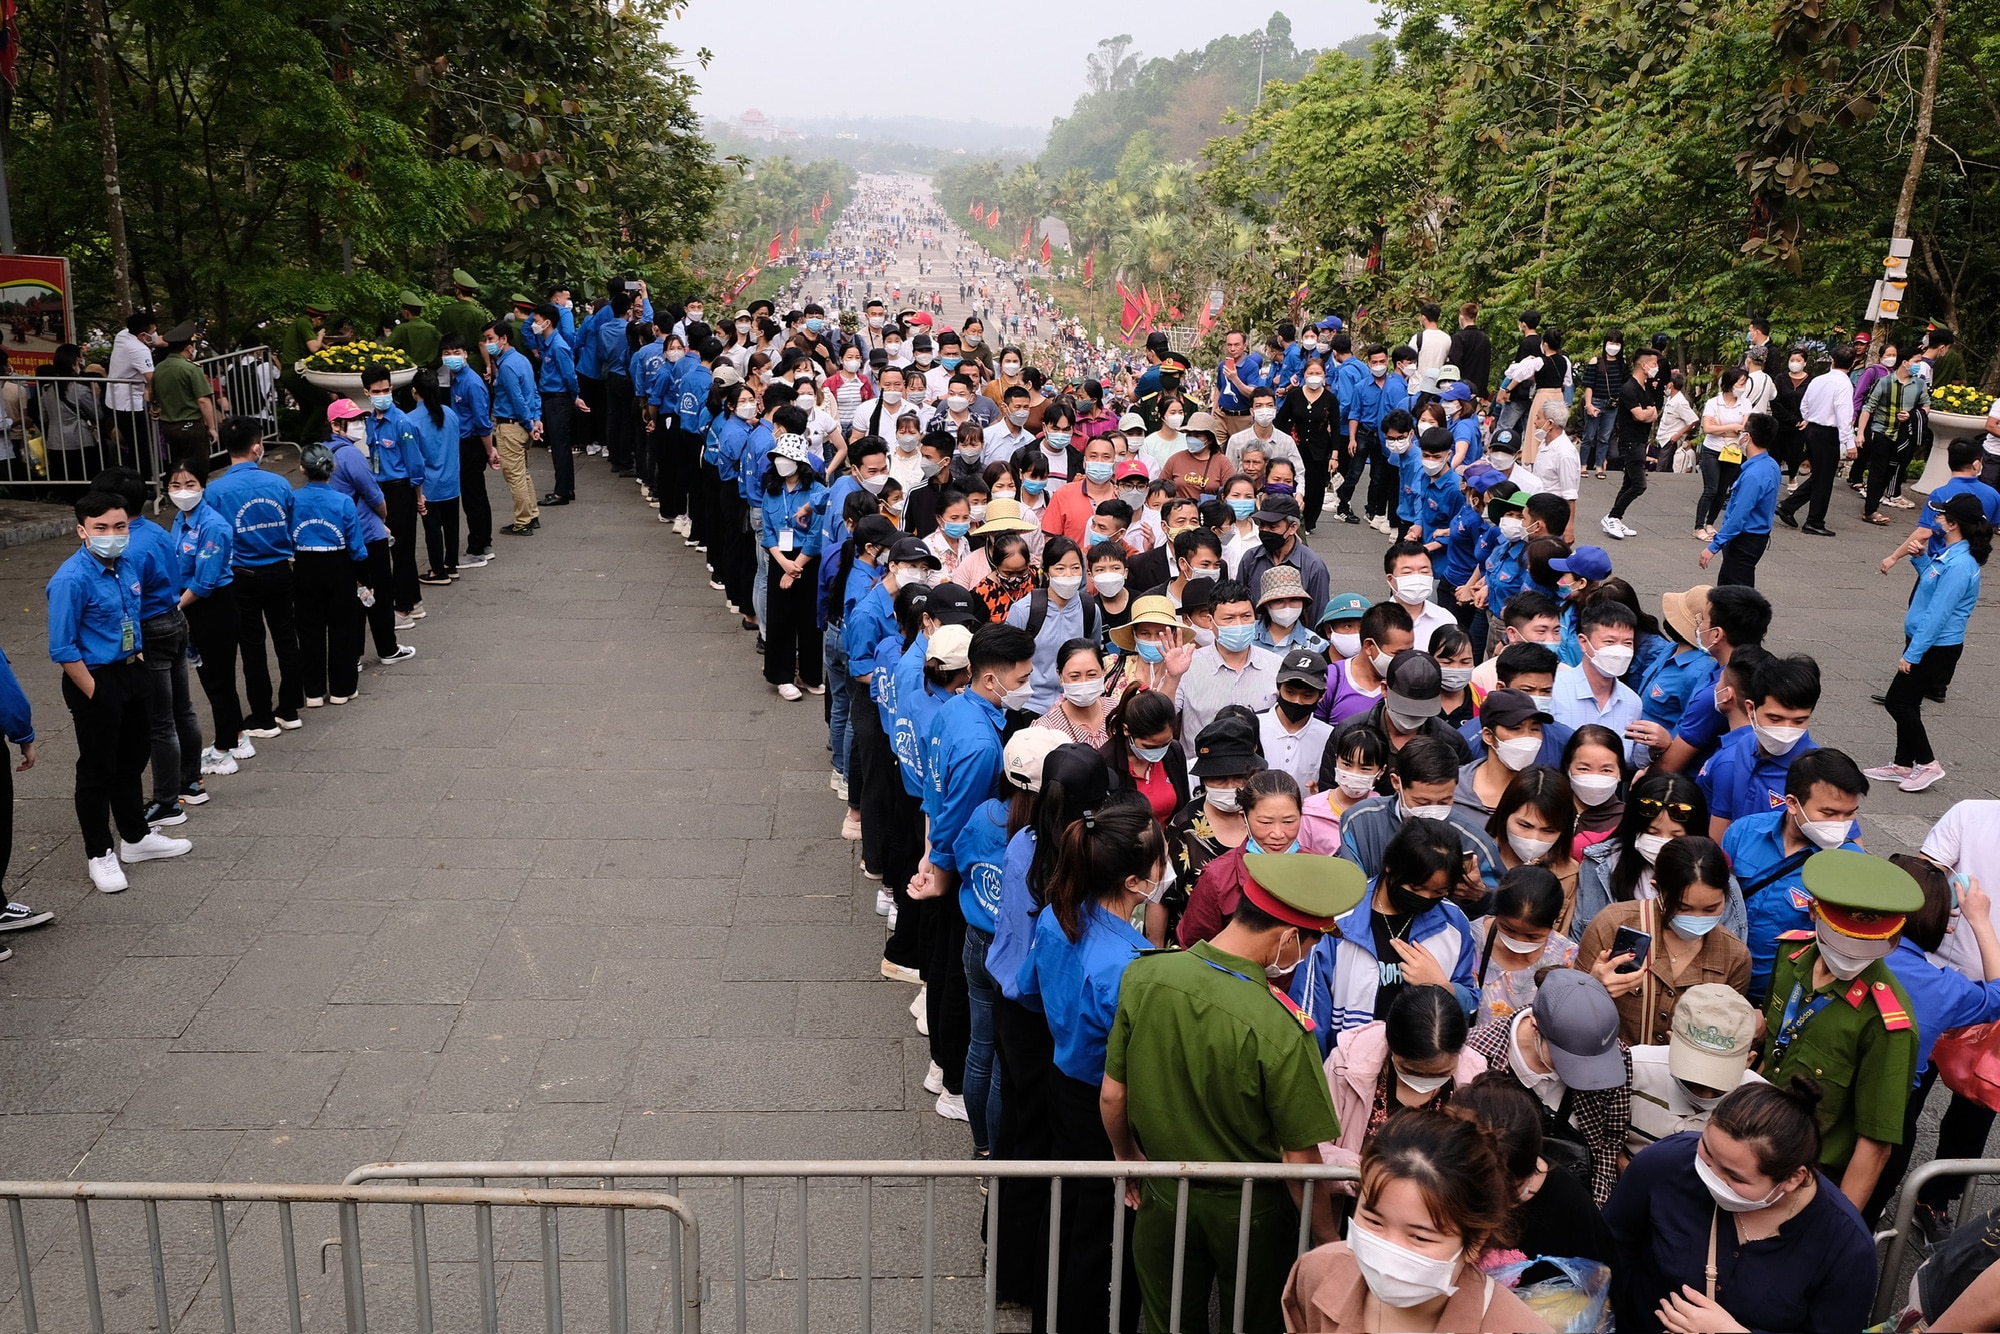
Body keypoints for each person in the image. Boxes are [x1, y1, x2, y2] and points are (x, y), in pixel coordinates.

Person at [1104, 853, 1367, 1333]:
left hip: (1163, 1194)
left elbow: (1112, 1097)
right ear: (1289, 938)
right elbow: (1299, 1158)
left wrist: (1129, 1159)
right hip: (1252, 1214)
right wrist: (1327, 1236)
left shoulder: (1144, 976)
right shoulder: (1283, 1029)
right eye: (1308, 943)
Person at [1019, 794, 1164, 1331]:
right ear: (1134, 883)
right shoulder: (1130, 967)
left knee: (1063, 1211)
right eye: (1158, 862)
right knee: (1101, 1235)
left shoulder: (1061, 916)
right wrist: (1127, 1153)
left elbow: (1030, 990)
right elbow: (1121, 1084)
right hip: (1102, 1103)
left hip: (1062, 1079)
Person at [1605, 1078, 1876, 1334]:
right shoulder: (1666, 1163)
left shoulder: (1846, 1249)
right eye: (1707, 1151)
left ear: (1794, 1179)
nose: (1710, 1175)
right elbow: (1611, 1245)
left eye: (1735, 1177)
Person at [1281, 1108, 1554, 1333]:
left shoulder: (1514, 1327)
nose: (1389, 1250)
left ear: (1475, 1240)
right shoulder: (1316, 1272)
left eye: (1419, 1237)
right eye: (1374, 1221)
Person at [1757, 849, 1921, 1212]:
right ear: (1814, 912)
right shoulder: (1790, 955)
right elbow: (1773, 1042)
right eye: (1842, 940)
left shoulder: (1886, 1023)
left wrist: (1835, 1229)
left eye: (1870, 945)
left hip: (1812, 1174)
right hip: (1755, 1140)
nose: (1852, 956)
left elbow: (1875, 1144)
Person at [47, 490, 194, 892]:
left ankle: (135, 837)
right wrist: (96, 691)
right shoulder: (70, 580)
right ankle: (99, 853)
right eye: (101, 528)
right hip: (95, 679)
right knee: (97, 770)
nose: (112, 534)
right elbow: (62, 647)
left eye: (119, 526)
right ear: (82, 531)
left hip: (133, 671)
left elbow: (133, 615)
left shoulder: (127, 564)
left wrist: (140, 660)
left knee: (132, 760)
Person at [1870, 853, 2000, 1227]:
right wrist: (1980, 921)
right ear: (1942, 921)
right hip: (1888, 1119)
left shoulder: (1830, 949)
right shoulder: (1944, 989)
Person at [1293, 816, 1478, 1050]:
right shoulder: (1337, 921)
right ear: (1390, 867)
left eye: (1439, 892)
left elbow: (1470, 1001)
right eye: (1415, 888)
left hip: (1419, 1065)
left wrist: (1442, 986)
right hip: (1347, 1067)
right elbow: (1309, 1015)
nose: (1426, 899)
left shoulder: (1454, 923)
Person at [1465, 968, 1630, 1205]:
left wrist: (1594, 1211)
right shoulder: (1476, 1055)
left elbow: (1609, 1143)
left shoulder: (1615, 1057)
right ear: (1535, 1026)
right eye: (1569, 1058)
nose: (1586, 1071)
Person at [1866, 491, 1989, 792]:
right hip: (1927, 641)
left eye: (1940, 515)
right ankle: (1902, 765)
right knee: (1908, 702)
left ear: (1952, 524)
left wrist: (1913, 653)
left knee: (1898, 701)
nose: (1934, 518)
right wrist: (1920, 560)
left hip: (1936, 646)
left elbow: (1938, 613)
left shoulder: (1960, 565)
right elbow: (1933, 587)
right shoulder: (1950, 555)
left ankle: (1928, 763)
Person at [1578, 834, 1751, 1047]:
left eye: (1711, 909)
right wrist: (1592, 986)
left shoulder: (1734, 955)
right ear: (1657, 888)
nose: (1697, 918)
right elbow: (1569, 1012)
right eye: (1683, 908)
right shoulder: (1612, 924)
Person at [1731, 747, 1868, 1000]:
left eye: (1849, 813)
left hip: (1787, 1000)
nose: (1840, 823)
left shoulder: (1851, 865)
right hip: (1724, 982)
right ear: (1792, 803)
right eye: (1828, 813)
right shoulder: (1743, 833)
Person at [1319, 984, 1488, 1184]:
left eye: (1442, 1074)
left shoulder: (1473, 1077)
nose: (1424, 1082)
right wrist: (1365, 1173)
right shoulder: (1346, 1065)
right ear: (1390, 1046)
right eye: (1411, 1072)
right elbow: (1314, 1147)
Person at [204, 417, 304, 736]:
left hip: (241, 576)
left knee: (252, 645)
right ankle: (290, 708)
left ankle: (261, 715)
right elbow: (292, 524)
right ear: (257, 446)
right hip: (279, 571)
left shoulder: (215, 491)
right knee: (287, 639)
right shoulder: (279, 484)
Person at [163, 460, 247, 774]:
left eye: (190, 485)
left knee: (219, 678)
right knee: (211, 677)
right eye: (175, 485)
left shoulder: (213, 525)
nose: (182, 492)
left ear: (202, 486)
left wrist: (174, 608)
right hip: (190, 604)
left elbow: (204, 581)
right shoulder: (179, 519)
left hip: (213, 606)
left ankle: (224, 749)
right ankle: (237, 734)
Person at [1624, 982, 1765, 1158]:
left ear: (1749, 1061)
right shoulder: (1633, 1069)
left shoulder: (1763, 1107)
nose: (1703, 1096)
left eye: (1718, 1085)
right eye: (1691, 1081)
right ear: (1671, 1041)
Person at [1697, 650, 1823, 841]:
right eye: (1775, 718)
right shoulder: (1741, 749)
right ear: (1750, 708)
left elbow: (1849, 849)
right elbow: (1720, 831)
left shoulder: (1819, 773)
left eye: (1799, 721)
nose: (1786, 731)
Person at [1179, 767, 1311, 947]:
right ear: (1244, 818)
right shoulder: (1217, 878)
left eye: (1289, 821)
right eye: (1265, 822)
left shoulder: (1315, 868)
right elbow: (1195, 945)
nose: (1278, 833)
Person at [287, 441, 370, 708]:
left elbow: (287, 537)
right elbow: (356, 546)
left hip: (304, 565)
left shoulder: (293, 500)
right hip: (338, 565)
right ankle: (341, 688)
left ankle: (312, 691)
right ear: (332, 469)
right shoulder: (344, 501)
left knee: (309, 628)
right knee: (342, 627)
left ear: (302, 468)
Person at [1174, 578, 1280, 757]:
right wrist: (1171, 677)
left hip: (1257, 772)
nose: (1239, 625)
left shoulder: (1276, 666)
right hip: (1201, 772)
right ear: (1210, 621)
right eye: (1228, 618)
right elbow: (1163, 717)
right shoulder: (1188, 665)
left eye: (1246, 617)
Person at [759, 434, 828, 700]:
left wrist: (796, 566)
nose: (781, 463)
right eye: (778, 458)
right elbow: (767, 531)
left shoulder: (817, 492)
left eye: (786, 458)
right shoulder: (771, 491)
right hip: (781, 559)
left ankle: (809, 674)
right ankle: (782, 676)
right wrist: (784, 565)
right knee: (780, 620)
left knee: (810, 620)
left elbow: (816, 534)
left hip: (808, 561)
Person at [1466, 865, 1579, 1026]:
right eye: (1507, 929)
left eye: (1532, 936)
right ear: (1497, 913)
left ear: (1555, 922)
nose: (1518, 941)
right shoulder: (1472, 938)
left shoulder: (1565, 957)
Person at [1775, 345, 1859, 537]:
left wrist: (1809, 419)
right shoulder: (1844, 384)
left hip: (1812, 428)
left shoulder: (1819, 380)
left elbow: (1805, 405)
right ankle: (1814, 520)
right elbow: (1844, 415)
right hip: (1827, 432)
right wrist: (1850, 443)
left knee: (1820, 475)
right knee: (1824, 479)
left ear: (1832, 360)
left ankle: (1788, 506)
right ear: (1853, 363)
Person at [1699, 412, 1781, 587]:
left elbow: (1739, 514)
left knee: (1733, 593)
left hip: (1744, 540)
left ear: (1748, 437)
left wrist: (1714, 547)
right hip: (1756, 537)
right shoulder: (1771, 465)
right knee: (1739, 588)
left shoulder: (1753, 475)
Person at [483, 320, 544, 538]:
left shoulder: (507, 366)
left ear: (504, 338)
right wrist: (535, 419)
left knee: (514, 476)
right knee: (523, 473)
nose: (487, 343)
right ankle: (532, 514)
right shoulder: (522, 360)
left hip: (511, 426)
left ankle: (523, 521)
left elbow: (517, 399)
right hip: (523, 424)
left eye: (490, 339)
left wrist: (529, 423)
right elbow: (533, 391)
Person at [407, 369, 462, 586]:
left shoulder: (411, 420)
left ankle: (438, 570)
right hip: (451, 481)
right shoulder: (450, 414)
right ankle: (451, 564)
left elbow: (414, 459)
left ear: (414, 391)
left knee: (433, 529)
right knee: (452, 525)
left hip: (429, 484)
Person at [1601, 345, 1662, 540]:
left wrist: (1649, 412)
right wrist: (1649, 413)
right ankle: (1612, 516)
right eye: (1653, 363)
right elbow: (1640, 415)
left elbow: (1653, 412)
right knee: (1638, 484)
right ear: (1643, 365)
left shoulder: (1646, 388)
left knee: (1628, 482)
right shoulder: (1629, 388)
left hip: (1640, 441)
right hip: (1630, 441)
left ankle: (1615, 518)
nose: (1656, 367)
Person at [1033, 638, 1111, 747]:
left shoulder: (1117, 710)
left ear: (1103, 672)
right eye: (1074, 676)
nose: (1084, 683)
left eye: (1092, 674)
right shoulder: (1045, 730)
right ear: (1060, 677)